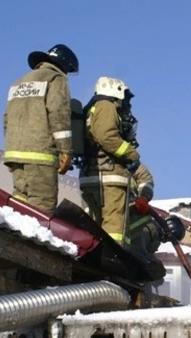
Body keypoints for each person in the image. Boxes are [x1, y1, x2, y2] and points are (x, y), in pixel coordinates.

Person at [3, 44, 78, 213]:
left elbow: (7, 118)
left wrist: (10, 153)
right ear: (64, 65)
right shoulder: (55, 79)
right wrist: (66, 151)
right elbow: (59, 115)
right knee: (42, 207)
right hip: (40, 154)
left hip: (15, 153)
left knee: (20, 204)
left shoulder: (19, 82)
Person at [79, 76, 142, 245]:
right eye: (125, 97)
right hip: (109, 177)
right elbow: (106, 136)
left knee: (95, 224)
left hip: (91, 174)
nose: (126, 103)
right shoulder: (106, 106)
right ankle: (113, 260)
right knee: (114, 226)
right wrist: (131, 154)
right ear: (117, 91)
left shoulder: (91, 108)